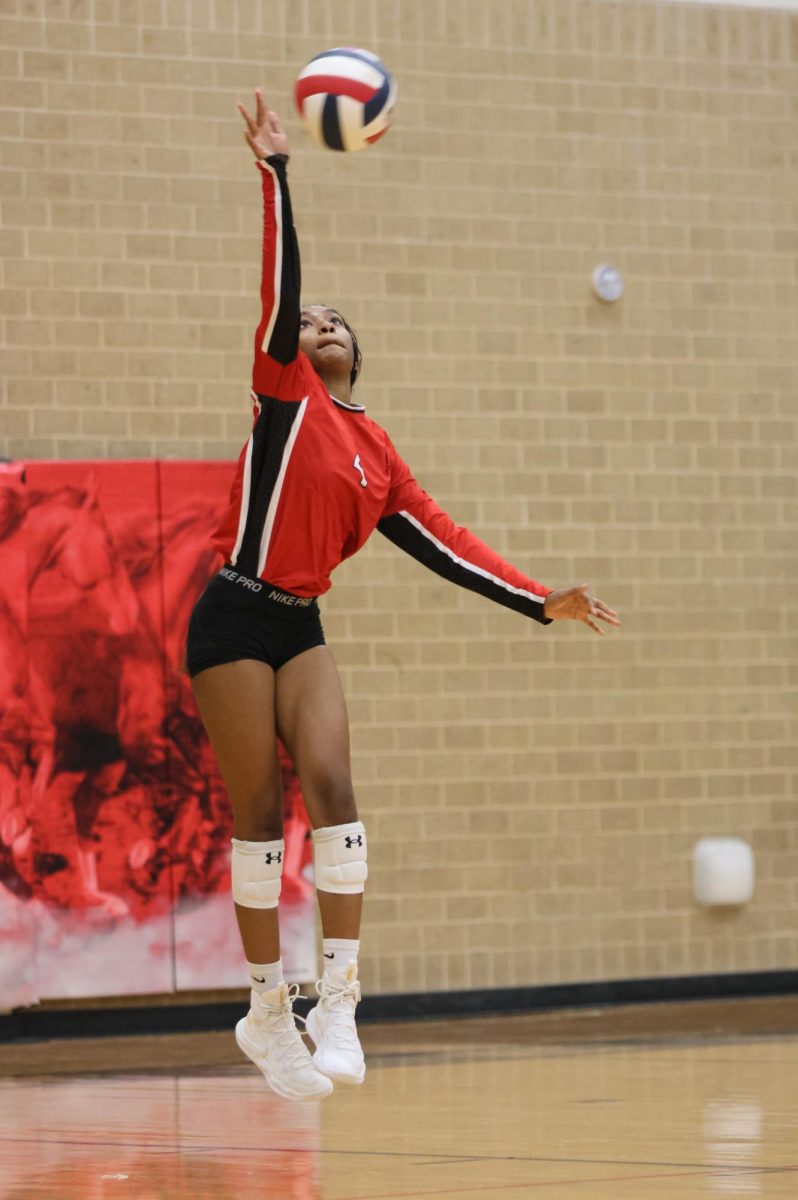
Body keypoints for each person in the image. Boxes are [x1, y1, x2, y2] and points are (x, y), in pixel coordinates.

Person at [186, 91, 620, 1103]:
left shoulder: (375, 453)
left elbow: (446, 543)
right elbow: (279, 280)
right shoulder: (281, 393)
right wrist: (276, 173)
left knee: (333, 789)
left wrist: (536, 599)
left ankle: (337, 1000)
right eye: (308, 318)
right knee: (258, 809)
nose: (317, 319)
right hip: (233, 613)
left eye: (333, 319)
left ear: (355, 352)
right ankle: (262, 1007)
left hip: (298, 623)